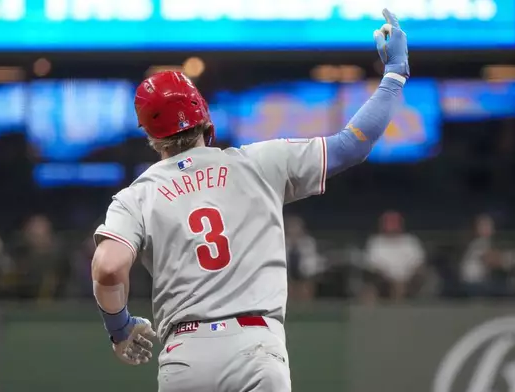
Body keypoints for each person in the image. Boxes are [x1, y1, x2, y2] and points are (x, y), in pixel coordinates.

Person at [91, 9, 409, 392]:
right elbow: (351, 145)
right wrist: (394, 75)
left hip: (184, 355)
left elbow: (108, 268)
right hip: (255, 346)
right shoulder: (258, 162)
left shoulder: (136, 195)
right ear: (206, 120)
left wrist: (120, 327)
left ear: (152, 137)